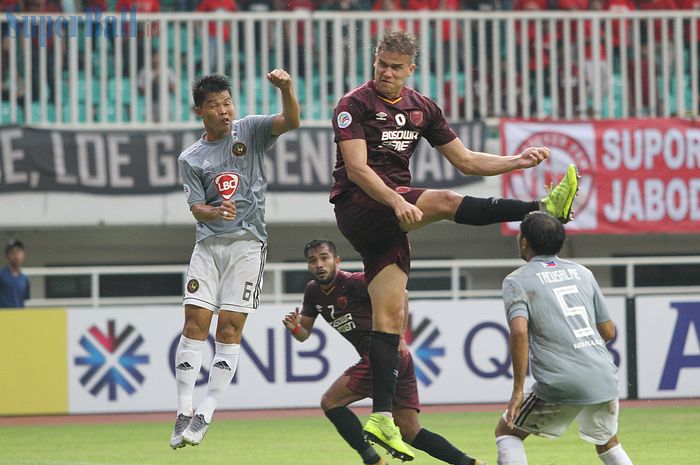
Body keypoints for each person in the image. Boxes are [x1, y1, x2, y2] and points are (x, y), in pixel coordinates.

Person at [330, 29, 579, 459]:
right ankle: (542, 207)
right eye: (380, 64)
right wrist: (394, 200)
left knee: (391, 316)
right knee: (445, 200)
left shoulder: (422, 108)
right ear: (374, 61)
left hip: (393, 219)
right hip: (361, 205)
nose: (385, 72)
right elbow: (356, 170)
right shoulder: (353, 104)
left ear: (411, 69)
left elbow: (465, 160)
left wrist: (515, 161)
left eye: (395, 67)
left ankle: (382, 418)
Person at [169, 70, 300, 449]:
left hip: (248, 245)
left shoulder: (252, 131)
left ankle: (207, 411)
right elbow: (195, 206)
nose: (225, 111)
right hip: (208, 246)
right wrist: (213, 212)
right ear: (200, 111)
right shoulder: (191, 158)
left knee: (228, 330)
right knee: (194, 323)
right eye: (215, 105)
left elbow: (291, 121)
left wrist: (286, 90)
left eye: (228, 102)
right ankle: (183, 411)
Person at [283, 239, 486, 465]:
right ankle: (472, 464)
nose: (319, 264)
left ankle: (373, 461)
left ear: (336, 261)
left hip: (381, 356)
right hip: (394, 358)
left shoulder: (355, 282)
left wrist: (398, 336)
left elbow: (402, 293)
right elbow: (304, 334)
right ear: (308, 266)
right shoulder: (313, 292)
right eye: (313, 260)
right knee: (410, 432)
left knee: (331, 401)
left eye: (324, 258)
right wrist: (295, 329)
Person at [495, 211, 634, 465]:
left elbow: (519, 332)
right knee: (608, 442)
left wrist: (517, 390)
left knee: (507, 432)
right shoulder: (583, 273)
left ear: (524, 241)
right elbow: (609, 332)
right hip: (603, 377)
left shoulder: (516, 280)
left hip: (559, 382)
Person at [0, 239, 30, 309]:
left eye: (18, 252)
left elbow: (24, 299)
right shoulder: (1, 275)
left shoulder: (25, 279)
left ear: (23, 254)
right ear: (7, 256)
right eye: (12, 252)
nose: (16, 256)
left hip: (18, 317)